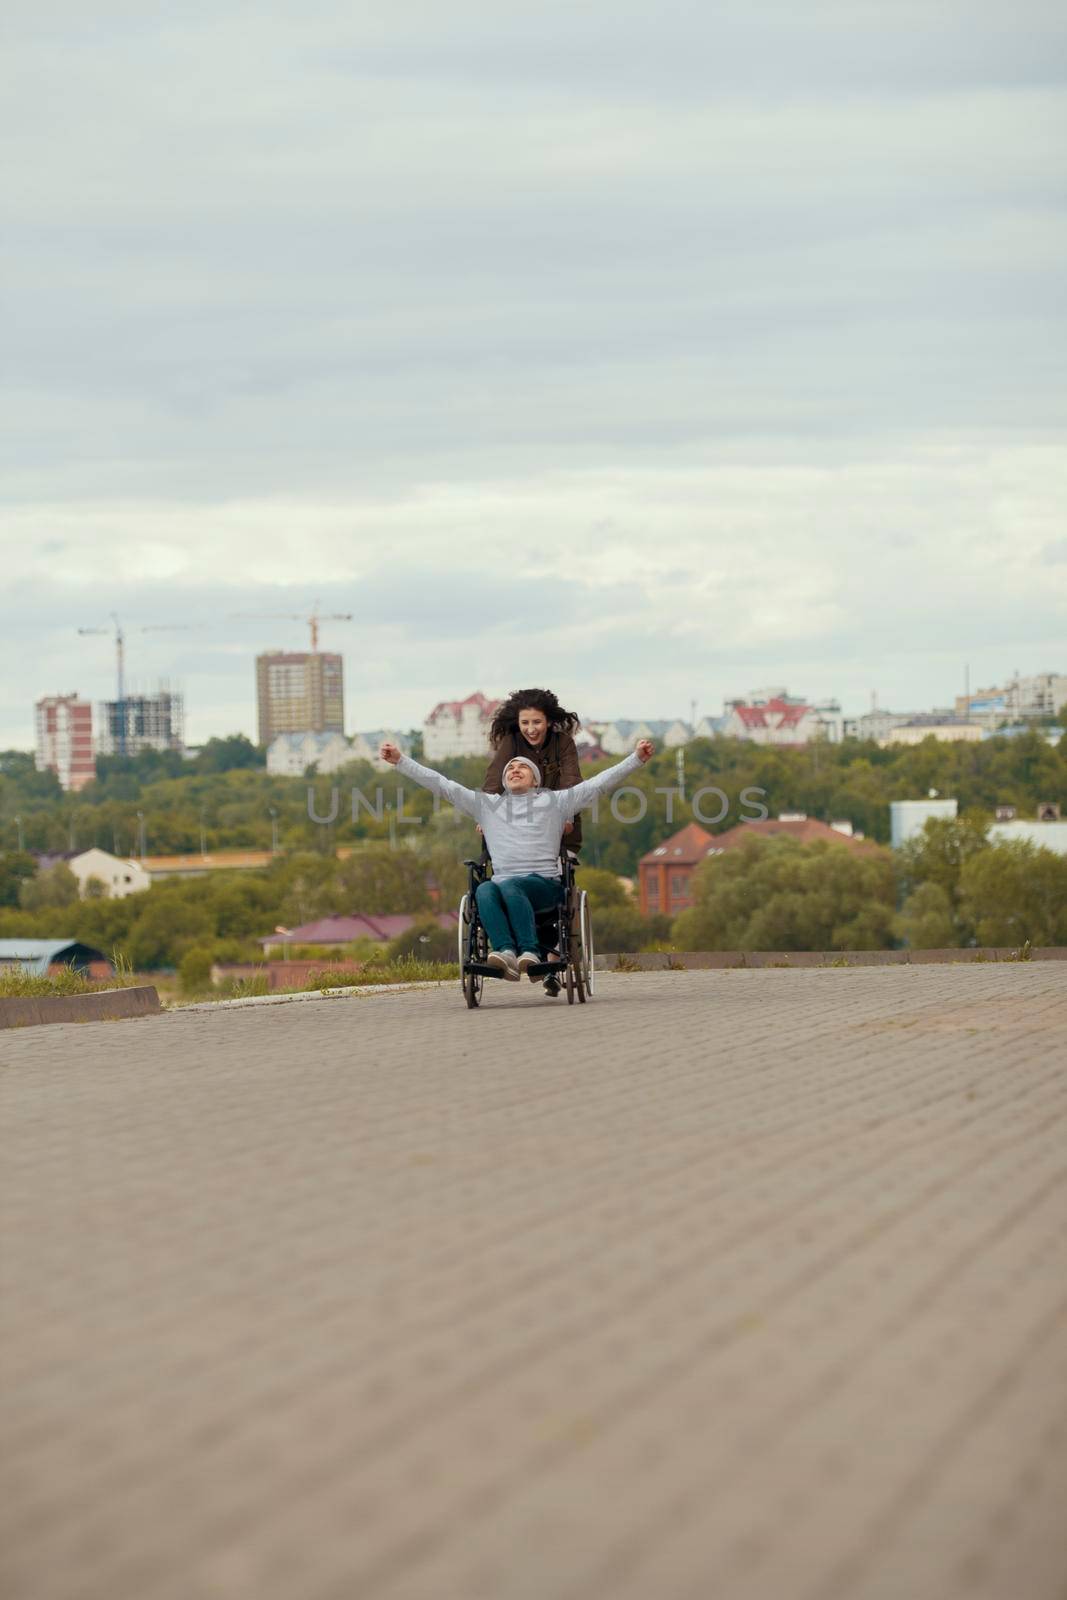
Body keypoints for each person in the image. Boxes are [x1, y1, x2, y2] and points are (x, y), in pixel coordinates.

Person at [379, 737, 655, 981]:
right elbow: (444, 786)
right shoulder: (487, 807)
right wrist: (400, 761)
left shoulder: (556, 802)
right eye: (510, 768)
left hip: (545, 886)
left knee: (510, 885)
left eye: (522, 767)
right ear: (503, 780)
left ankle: (530, 952)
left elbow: (599, 785)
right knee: (485, 888)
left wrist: (636, 759)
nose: (514, 770)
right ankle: (507, 951)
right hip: (503, 886)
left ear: (535, 780)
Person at [483, 688, 584, 851]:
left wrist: (566, 818)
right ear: (518, 723)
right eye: (525, 723)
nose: (530, 730)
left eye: (537, 722)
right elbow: (493, 781)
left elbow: (571, 783)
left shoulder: (563, 743)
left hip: (556, 818)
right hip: (519, 818)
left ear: (549, 722)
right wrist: (485, 817)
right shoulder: (512, 742)